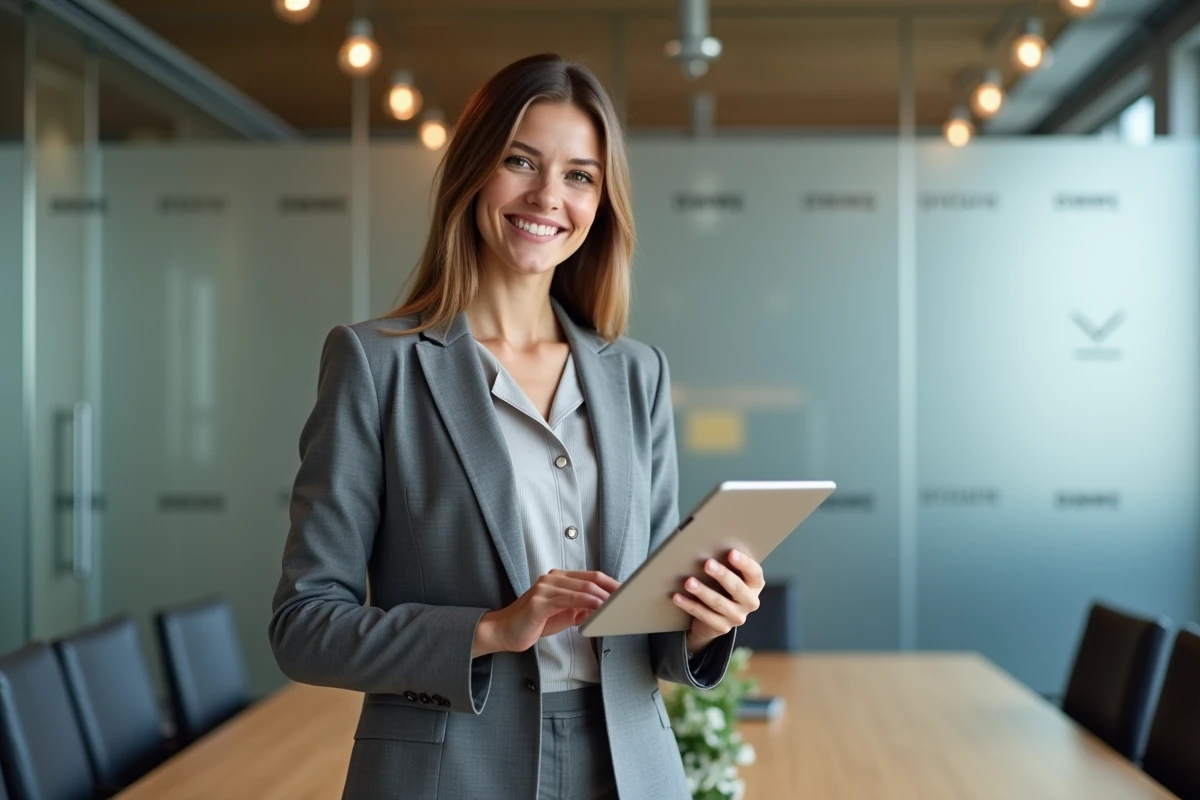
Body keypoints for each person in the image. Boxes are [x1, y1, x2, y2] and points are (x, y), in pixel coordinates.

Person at [269, 53, 767, 800]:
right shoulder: (377, 364)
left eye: (579, 175)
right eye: (520, 161)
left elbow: (651, 637)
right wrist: (489, 629)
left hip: (629, 770)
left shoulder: (637, 373)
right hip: (447, 772)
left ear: (602, 200)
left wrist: (705, 622)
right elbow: (304, 625)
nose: (547, 196)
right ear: (474, 169)